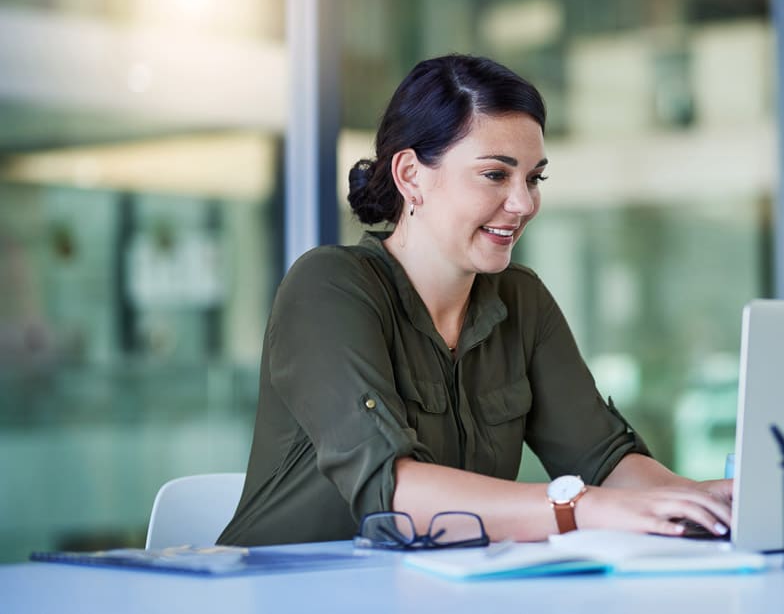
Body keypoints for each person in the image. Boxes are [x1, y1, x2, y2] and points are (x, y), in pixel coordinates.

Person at [218, 54, 732, 547]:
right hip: (284, 592)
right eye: (495, 174)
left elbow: (603, 461)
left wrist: (700, 499)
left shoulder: (521, 299)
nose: (524, 203)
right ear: (411, 176)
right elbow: (391, 494)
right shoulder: (328, 288)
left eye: (534, 178)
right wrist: (575, 508)